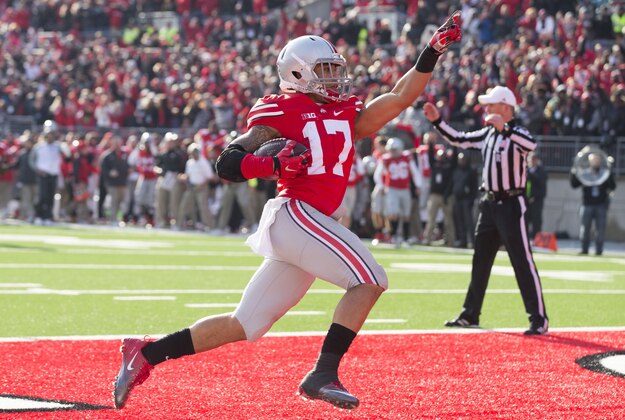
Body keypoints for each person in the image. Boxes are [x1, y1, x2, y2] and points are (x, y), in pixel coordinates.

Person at [113, 13, 462, 411]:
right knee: (369, 279)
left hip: (310, 225)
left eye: (335, 69)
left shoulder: (346, 112)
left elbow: (400, 96)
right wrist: (273, 165)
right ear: (297, 73)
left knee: (245, 324)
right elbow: (228, 163)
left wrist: (431, 52)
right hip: (297, 214)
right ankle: (323, 373)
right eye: (325, 70)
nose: (334, 78)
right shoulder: (283, 109)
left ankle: (146, 354)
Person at [423, 85, 549, 335]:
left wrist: (506, 128)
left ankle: (538, 318)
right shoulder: (488, 134)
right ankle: (471, 313)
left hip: (512, 204)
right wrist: (438, 122)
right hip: (489, 205)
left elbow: (531, 145)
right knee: (480, 261)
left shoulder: (517, 132)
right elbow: (459, 139)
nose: (487, 109)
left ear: (505, 106)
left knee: (522, 262)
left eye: (491, 104)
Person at [570, 152, 616, 256]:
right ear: (590, 161)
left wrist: (610, 172)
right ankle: (584, 249)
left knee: (600, 229)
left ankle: (599, 250)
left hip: (601, 205)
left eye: (597, 160)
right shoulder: (585, 174)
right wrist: (573, 172)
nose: (595, 162)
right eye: (593, 160)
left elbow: (612, 186)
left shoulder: (604, 173)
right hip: (587, 204)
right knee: (585, 228)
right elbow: (574, 184)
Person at [451, 152, 478, 248]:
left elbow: (474, 187)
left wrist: (472, 198)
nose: (461, 161)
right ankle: (463, 240)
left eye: (463, 159)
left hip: (467, 199)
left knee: (469, 221)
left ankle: (473, 241)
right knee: (459, 220)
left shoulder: (471, 171)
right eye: (460, 159)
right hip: (458, 199)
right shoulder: (456, 170)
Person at [526, 152, 547, 238]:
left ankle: (536, 239)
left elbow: (541, 184)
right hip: (526, 200)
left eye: (534, 159)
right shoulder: (526, 171)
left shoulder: (541, 171)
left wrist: (534, 197)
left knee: (536, 220)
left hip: (536, 200)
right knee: (525, 220)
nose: (532, 161)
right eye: (531, 159)